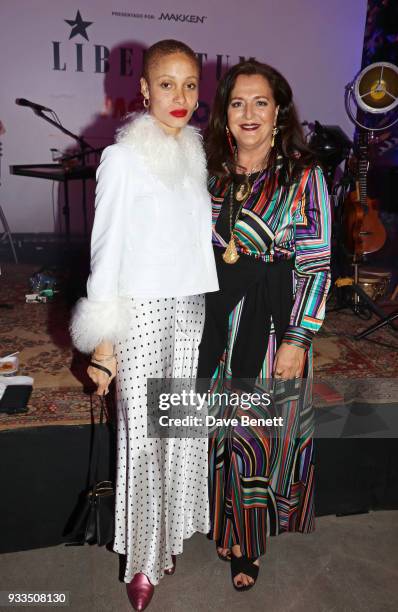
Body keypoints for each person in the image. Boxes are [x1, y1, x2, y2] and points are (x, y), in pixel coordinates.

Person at [70, 40, 218, 611]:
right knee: (144, 436)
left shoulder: (194, 152)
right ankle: (142, 560)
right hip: (142, 311)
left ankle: (169, 536)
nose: (178, 97)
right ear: (144, 89)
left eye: (188, 85)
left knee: (180, 428)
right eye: (166, 84)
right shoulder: (123, 157)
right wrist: (104, 338)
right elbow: (105, 252)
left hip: (189, 306)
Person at [197, 60, 331, 590]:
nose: (248, 113)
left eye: (260, 102)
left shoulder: (303, 174)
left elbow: (317, 263)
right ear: (223, 114)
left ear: (278, 112)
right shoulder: (206, 171)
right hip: (213, 318)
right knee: (213, 429)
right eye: (237, 103)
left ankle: (248, 541)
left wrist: (298, 339)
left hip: (275, 322)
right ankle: (218, 519)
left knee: (257, 436)